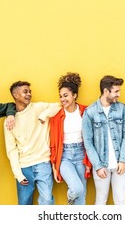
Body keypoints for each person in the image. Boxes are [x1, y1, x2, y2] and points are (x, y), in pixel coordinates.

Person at [4, 81, 61, 205]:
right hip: (24, 167)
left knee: (47, 200)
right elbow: (11, 150)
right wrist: (18, 173)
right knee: (24, 203)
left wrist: (44, 115)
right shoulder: (9, 121)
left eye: (30, 92)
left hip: (43, 162)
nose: (29, 94)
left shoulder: (38, 108)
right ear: (15, 95)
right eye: (25, 92)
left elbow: (59, 105)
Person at [82, 75, 125, 205]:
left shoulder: (122, 109)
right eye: (116, 91)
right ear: (106, 91)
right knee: (100, 201)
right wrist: (97, 166)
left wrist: (123, 160)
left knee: (120, 201)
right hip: (101, 165)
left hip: (120, 165)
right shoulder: (90, 112)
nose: (119, 94)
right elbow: (88, 141)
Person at [49, 72, 91, 205]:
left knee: (82, 198)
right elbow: (53, 143)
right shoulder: (57, 115)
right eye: (60, 96)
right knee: (77, 189)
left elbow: (91, 139)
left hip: (81, 155)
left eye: (65, 95)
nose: (62, 99)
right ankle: (70, 200)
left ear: (74, 95)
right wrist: (54, 166)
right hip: (64, 156)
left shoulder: (86, 111)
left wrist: (89, 162)